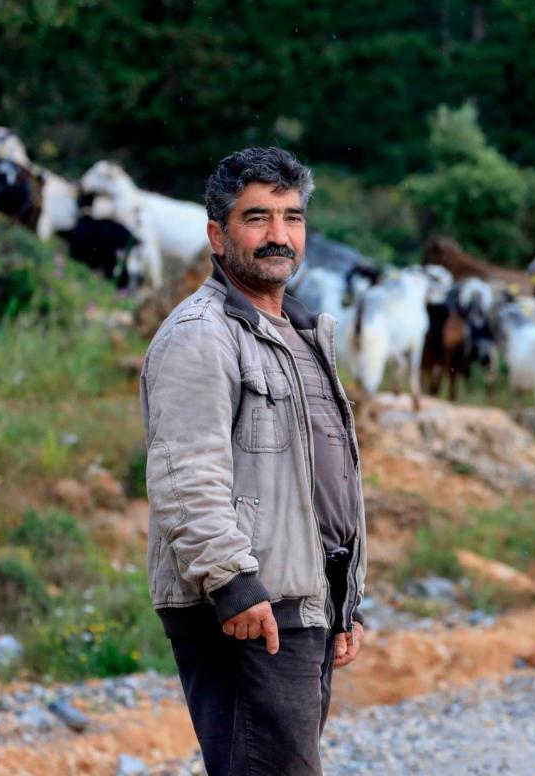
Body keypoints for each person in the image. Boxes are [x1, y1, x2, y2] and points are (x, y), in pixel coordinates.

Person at [140, 147, 366, 775]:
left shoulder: (299, 333)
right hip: (245, 609)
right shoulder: (200, 336)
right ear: (217, 234)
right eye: (257, 218)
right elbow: (185, 477)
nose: (279, 236)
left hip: (299, 604)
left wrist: (344, 600)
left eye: (292, 218)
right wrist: (234, 586)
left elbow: (322, 486)